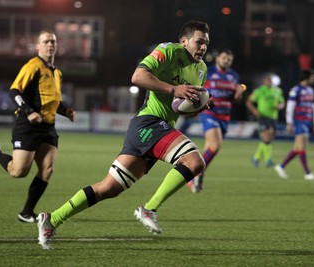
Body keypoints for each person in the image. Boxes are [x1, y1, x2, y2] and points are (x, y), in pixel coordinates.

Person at [35, 20, 210, 250]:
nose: (204, 47)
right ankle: (150, 208)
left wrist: (197, 107)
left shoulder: (201, 70)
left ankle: (52, 218)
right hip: (148, 123)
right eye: (199, 42)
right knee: (194, 161)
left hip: (158, 130)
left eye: (207, 43)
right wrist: (173, 89)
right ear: (184, 41)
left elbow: (181, 109)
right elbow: (137, 76)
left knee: (109, 188)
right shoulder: (168, 50)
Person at [0, 29, 75, 223]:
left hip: (48, 128)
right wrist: (29, 112)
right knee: (18, 172)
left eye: (52, 41)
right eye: (46, 42)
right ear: (38, 46)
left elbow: (52, 101)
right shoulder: (33, 66)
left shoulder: (57, 72)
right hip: (27, 126)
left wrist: (66, 111)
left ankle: (26, 212)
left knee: (48, 169)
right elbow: (14, 91)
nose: (50, 44)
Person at [187, 49, 245, 193]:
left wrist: (238, 94)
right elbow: (198, 87)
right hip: (209, 113)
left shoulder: (233, 76)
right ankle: (194, 174)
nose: (226, 61)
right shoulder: (208, 71)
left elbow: (236, 99)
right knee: (215, 145)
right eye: (224, 57)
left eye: (229, 59)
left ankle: (195, 175)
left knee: (210, 149)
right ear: (218, 58)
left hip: (224, 116)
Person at [274, 68, 314, 180]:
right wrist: (289, 122)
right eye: (312, 77)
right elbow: (290, 106)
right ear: (306, 77)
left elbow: (313, 106)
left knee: (298, 147)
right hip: (299, 121)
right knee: (302, 146)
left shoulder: (310, 90)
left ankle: (281, 166)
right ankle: (307, 173)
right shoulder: (296, 90)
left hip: (307, 121)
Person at [246, 74, 285, 168]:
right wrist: (254, 110)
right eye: (267, 80)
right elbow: (249, 102)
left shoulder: (277, 91)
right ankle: (268, 160)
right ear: (264, 81)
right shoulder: (259, 90)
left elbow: (282, 102)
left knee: (269, 138)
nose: (269, 82)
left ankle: (256, 158)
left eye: (270, 80)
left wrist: (280, 106)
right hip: (262, 116)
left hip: (273, 117)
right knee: (267, 136)